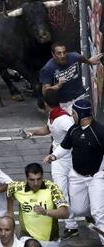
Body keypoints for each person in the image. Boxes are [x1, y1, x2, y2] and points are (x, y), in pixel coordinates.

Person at [44, 99, 104, 245]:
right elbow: (64, 146)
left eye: (74, 113)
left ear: (82, 115)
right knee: (77, 209)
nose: (72, 116)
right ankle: (94, 208)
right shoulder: (73, 130)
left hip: (96, 176)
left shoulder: (100, 132)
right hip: (77, 177)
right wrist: (54, 155)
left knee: (98, 213)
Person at [22, 89, 78, 240]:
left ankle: (80, 218)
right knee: (61, 191)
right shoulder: (53, 115)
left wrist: (59, 152)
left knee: (72, 191)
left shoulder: (64, 119)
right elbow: (48, 129)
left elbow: (74, 134)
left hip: (68, 159)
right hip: (58, 159)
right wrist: (32, 133)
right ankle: (71, 225)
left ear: (46, 104)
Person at [7, 163, 69, 246]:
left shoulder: (52, 188)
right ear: (26, 178)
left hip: (50, 240)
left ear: (42, 177)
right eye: (32, 180)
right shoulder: (16, 188)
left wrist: (46, 212)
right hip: (27, 238)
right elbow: (7, 188)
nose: (36, 183)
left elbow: (65, 213)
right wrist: (11, 227)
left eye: (38, 179)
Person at [40, 42, 103, 113]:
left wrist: (90, 61)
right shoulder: (48, 68)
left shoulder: (74, 57)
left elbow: (81, 58)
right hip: (63, 103)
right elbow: (45, 91)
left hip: (79, 96)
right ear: (53, 54)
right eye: (59, 53)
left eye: (64, 52)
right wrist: (58, 86)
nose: (62, 55)